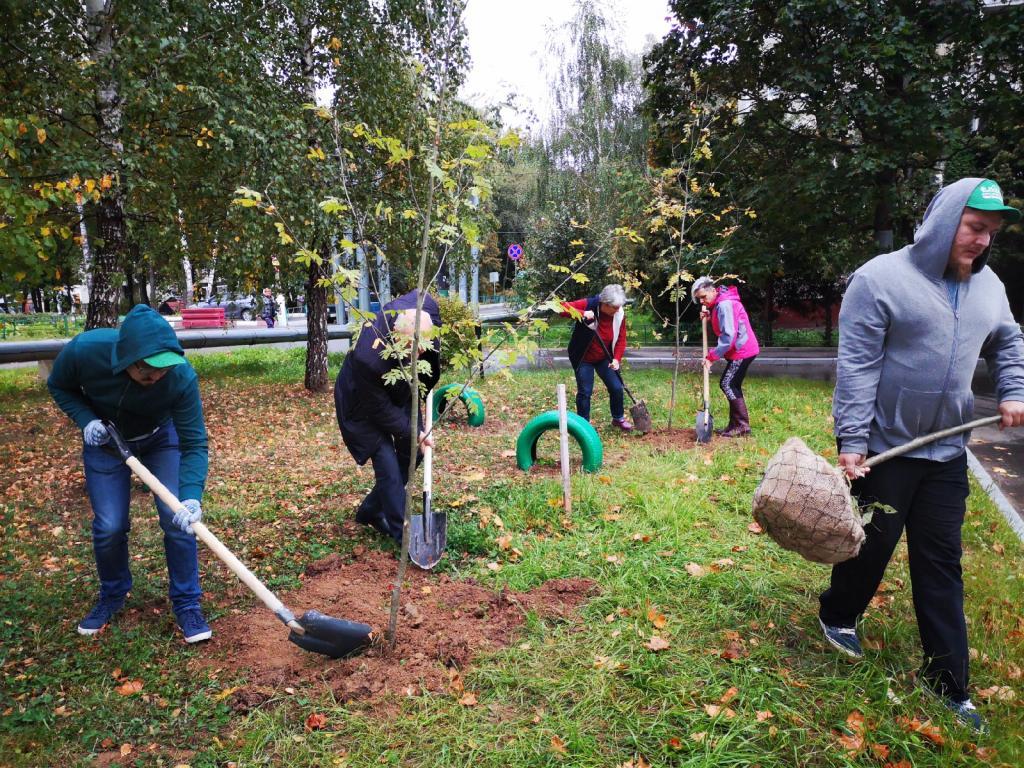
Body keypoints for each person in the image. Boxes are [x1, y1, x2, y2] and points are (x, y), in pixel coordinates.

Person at [822, 178, 1024, 733]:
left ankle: (948, 683)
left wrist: (1013, 390)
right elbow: (858, 366)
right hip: (888, 448)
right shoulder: (881, 279)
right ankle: (838, 615)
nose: (984, 241)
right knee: (871, 545)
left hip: (948, 453)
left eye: (991, 233)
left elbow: (1009, 339)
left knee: (941, 563)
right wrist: (852, 441)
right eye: (975, 227)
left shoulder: (990, 288)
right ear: (945, 221)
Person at [46, 304, 212, 643]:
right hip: (106, 442)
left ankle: (187, 603)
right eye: (148, 372)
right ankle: (113, 593)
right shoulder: (85, 351)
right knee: (110, 525)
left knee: (177, 518)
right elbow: (59, 386)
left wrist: (191, 495)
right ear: (126, 360)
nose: (156, 379)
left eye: (163, 371)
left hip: (160, 439)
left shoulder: (180, 378)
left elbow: (194, 442)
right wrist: (86, 420)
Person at [334, 290, 442, 545]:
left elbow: (419, 380)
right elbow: (379, 409)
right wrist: (414, 430)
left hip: (398, 389)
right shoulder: (367, 358)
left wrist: (417, 428)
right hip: (361, 402)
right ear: (395, 339)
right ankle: (403, 536)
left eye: (421, 351)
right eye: (408, 351)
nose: (416, 357)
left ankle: (370, 510)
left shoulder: (427, 311)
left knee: (414, 453)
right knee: (388, 465)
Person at [691, 277, 760, 437]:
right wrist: (710, 316)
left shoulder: (724, 305)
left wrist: (711, 357)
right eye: (699, 299)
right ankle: (734, 425)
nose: (702, 301)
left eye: (703, 297)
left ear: (712, 290)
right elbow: (726, 322)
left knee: (727, 384)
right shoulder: (721, 302)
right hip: (742, 349)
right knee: (732, 385)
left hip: (742, 351)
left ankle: (742, 425)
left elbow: (728, 336)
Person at [561, 284, 632, 431]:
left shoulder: (619, 314)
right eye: (614, 307)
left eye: (619, 306)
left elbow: (621, 339)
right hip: (583, 358)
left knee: (616, 387)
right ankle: (583, 426)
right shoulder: (589, 304)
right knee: (585, 391)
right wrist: (582, 313)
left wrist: (616, 359)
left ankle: (618, 418)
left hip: (605, 357)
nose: (618, 309)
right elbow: (561, 307)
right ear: (604, 304)